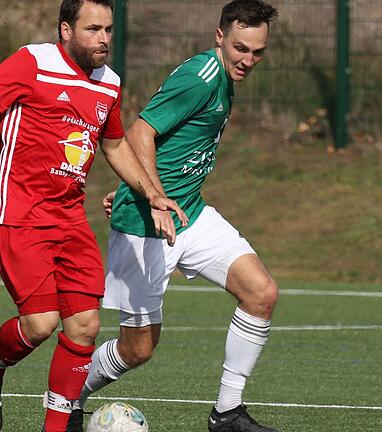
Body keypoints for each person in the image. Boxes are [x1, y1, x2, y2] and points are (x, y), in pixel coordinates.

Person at [0, 1, 187, 430]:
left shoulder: (109, 84)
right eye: (93, 29)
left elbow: (115, 145)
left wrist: (152, 193)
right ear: (65, 29)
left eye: (108, 29)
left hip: (70, 220)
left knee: (85, 326)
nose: (104, 38)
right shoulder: (34, 61)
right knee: (40, 325)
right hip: (18, 213)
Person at [77, 1, 281, 431]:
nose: (248, 59)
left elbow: (167, 146)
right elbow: (139, 132)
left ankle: (227, 412)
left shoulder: (224, 77)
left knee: (261, 293)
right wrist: (149, 197)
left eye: (257, 51)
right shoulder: (201, 77)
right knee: (138, 351)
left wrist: (151, 189)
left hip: (188, 212)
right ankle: (67, 396)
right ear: (220, 36)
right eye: (241, 48)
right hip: (146, 226)